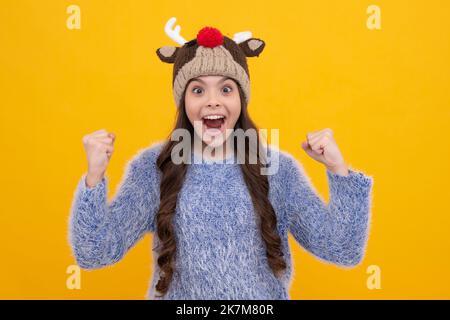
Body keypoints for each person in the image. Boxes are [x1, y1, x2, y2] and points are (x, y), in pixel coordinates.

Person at [68, 17, 374, 300]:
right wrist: (94, 177)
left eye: (226, 89)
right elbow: (95, 253)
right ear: (183, 101)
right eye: (198, 89)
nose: (212, 100)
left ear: (240, 98)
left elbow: (343, 249)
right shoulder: (155, 169)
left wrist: (338, 170)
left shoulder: (277, 171)